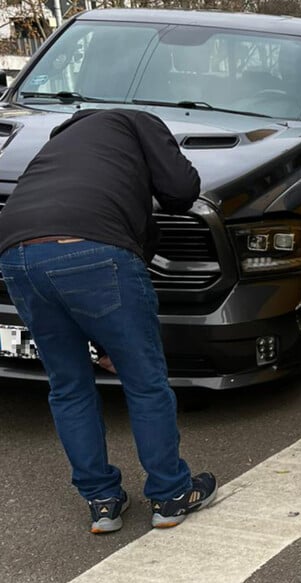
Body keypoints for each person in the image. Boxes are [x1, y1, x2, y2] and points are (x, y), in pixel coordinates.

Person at [0, 108, 217, 534]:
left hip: (16, 255)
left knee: (67, 385)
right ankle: (171, 493)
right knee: (145, 380)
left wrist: (102, 342)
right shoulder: (136, 121)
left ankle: (101, 501)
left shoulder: (57, 146)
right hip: (96, 250)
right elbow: (181, 189)